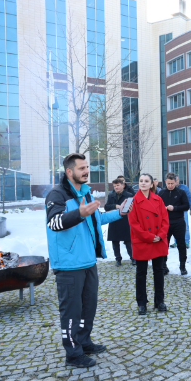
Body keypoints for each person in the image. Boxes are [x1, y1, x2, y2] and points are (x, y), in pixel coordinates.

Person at [45, 153, 125, 368]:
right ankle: (73, 353)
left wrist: (121, 213)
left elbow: (97, 218)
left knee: (88, 307)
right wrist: (78, 214)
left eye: (87, 167)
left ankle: (83, 340)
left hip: (88, 261)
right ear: (69, 171)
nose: (86, 171)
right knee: (71, 311)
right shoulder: (57, 194)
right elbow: (54, 222)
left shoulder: (85, 193)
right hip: (69, 265)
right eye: (82, 168)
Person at [128, 173, 169, 316]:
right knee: (141, 273)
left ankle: (159, 300)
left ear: (152, 184)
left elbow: (165, 219)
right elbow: (134, 225)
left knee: (159, 271)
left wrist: (161, 235)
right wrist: (150, 237)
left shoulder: (158, 200)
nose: (143, 183)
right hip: (143, 241)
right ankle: (141, 303)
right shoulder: (133, 201)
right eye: (141, 181)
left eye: (146, 181)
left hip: (158, 240)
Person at [158, 172, 189, 276]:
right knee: (164, 245)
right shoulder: (161, 193)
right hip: (165, 223)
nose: (170, 185)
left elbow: (186, 206)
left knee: (181, 245)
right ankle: (164, 266)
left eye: (172, 183)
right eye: (168, 183)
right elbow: (157, 207)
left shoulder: (181, 192)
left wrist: (174, 208)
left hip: (179, 222)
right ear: (166, 182)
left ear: (176, 182)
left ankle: (183, 266)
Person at [104, 178, 134, 267]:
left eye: (118, 185)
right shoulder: (111, 195)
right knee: (115, 242)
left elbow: (133, 208)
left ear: (122, 185)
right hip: (114, 221)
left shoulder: (129, 195)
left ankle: (133, 258)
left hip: (125, 221)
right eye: (114, 186)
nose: (116, 187)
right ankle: (118, 259)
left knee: (128, 241)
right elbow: (106, 207)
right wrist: (116, 206)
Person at [173, 175, 191, 249]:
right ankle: (176, 241)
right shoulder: (171, 188)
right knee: (175, 227)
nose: (176, 182)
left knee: (185, 226)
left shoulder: (184, 187)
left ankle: (187, 241)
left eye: (177, 180)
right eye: (175, 180)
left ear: (178, 180)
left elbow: (189, 198)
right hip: (174, 210)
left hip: (183, 210)